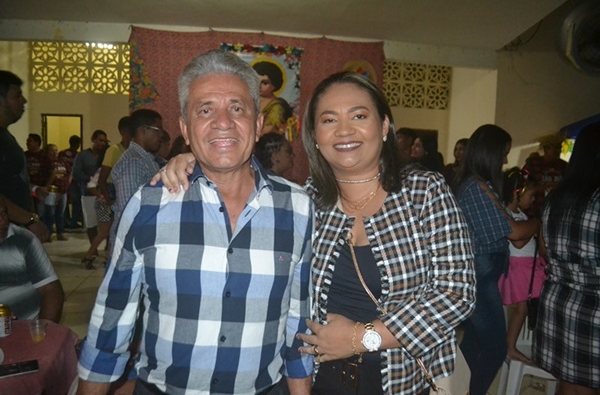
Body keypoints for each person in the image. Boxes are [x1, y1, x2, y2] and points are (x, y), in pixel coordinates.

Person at [156, 71, 476, 394]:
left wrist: (362, 338)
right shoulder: (304, 201)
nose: (344, 130)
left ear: (383, 127)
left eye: (359, 116)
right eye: (329, 120)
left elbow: (457, 293)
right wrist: (197, 162)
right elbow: (240, 192)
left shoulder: (423, 192)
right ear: (315, 137)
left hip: (403, 381)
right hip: (319, 380)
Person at [77, 50, 313, 395]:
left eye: (237, 108)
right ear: (186, 129)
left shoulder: (297, 208)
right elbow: (112, 320)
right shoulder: (149, 203)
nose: (223, 122)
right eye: (205, 110)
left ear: (258, 124)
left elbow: (298, 322)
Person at [453, 124, 539, 395]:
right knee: (494, 349)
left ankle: (457, 390)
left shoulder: (479, 185)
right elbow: (516, 232)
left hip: (482, 275)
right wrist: (542, 219)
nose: (505, 161)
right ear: (489, 154)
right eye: (503, 154)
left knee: (474, 345)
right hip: (479, 278)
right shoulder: (476, 187)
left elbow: (515, 233)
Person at [533, 123, 600, 395]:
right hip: (592, 308)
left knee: (567, 383)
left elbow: (544, 250)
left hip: (557, 301)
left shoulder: (555, 198)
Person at [497, 167, 545, 364]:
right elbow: (518, 242)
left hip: (530, 266)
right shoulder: (509, 215)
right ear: (518, 193)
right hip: (521, 268)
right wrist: (534, 228)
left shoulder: (521, 215)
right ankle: (510, 347)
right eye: (531, 195)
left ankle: (516, 345)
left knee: (525, 309)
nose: (532, 200)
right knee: (521, 309)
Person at [0, 70, 50, 242]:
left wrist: (33, 189)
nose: (24, 101)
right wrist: (29, 220)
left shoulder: (6, 137)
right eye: (17, 96)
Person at [108, 108, 164, 255]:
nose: (161, 135)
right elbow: (129, 208)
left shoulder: (146, 159)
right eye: (158, 129)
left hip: (140, 237)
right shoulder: (133, 161)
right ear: (143, 130)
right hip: (130, 241)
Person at [0, 198, 64, 322]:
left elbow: (51, 290)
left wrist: (42, 330)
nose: (2, 220)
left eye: (4, 213)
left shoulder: (23, 239)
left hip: (28, 325)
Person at [72, 129, 108, 245]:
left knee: (108, 224)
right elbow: (76, 174)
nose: (102, 143)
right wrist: (90, 178)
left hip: (105, 194)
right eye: (100, 140)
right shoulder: (83, 155)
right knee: (91, 223)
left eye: (104, 141)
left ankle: (108, 249)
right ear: (93, 140)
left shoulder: (106, 155)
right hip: (88, 194)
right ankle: (93, 249)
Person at [522, 132, 568, 218]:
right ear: (546, 149)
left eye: (559, 148)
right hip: (535, 210)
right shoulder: (534, 163)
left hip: (556, 211)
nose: (558, 151)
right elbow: (522, 183)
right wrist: (537, 188)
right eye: (555, 148)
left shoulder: (564, 166)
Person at [252, 60, 294, 135]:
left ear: (274, 85)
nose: (259, 86)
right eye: (256, 81)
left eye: (265, 83)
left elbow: (270, 129)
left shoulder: (278, 106)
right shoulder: (251, 100)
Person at [43, 143, 71, 241]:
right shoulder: (46, 163)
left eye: (56, 150)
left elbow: (70, 171)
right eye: (52, 150)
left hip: (63, 190)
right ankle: (49, 233)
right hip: (52, 190)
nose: (55, 152)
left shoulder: (62, 161)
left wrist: (68, 182)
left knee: (61, 213)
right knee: (50, 213)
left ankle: (60, 232)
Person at [25, 133, 53, 220]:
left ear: (37, 142)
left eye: (30, 141)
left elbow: (52, 173)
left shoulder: (45, 156)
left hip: (41, 188)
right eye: (27, 141)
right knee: (29, 212)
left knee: (42, 212)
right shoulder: (25, 155)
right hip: (28, 188)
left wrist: (46, 187)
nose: (27, 143)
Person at [59, 134, 83, 229]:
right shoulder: (78, 155)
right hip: (73, 181)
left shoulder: (62, 153)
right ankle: (73, 222)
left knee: (65, 201)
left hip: (63, 180)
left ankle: (66, 221)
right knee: (75, 201)